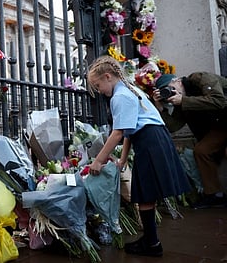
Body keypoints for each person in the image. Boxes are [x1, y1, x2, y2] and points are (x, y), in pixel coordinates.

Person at [86, 56, 191, 257]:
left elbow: (118, 133)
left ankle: (151, 243)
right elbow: (129, 131)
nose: (99, 91)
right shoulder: (130, 91)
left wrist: (98, 160)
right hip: (153, 138)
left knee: (145, 192)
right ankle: (151, 241)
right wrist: (123, 160)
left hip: (150, 140)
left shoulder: (120, 96)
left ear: (108, 77)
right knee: (145, 192)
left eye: (98, 85)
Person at [152, 72, 227, 209]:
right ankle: (215, 195)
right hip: (220, 126)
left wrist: (183, 101)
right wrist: (160, 108)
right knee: (201, 151)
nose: (170, 93)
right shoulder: (178, 101)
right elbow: (173, 126)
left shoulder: (200, 78)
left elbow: (220, 101)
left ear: (178, 81)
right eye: (166, 91)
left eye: (170, 88)